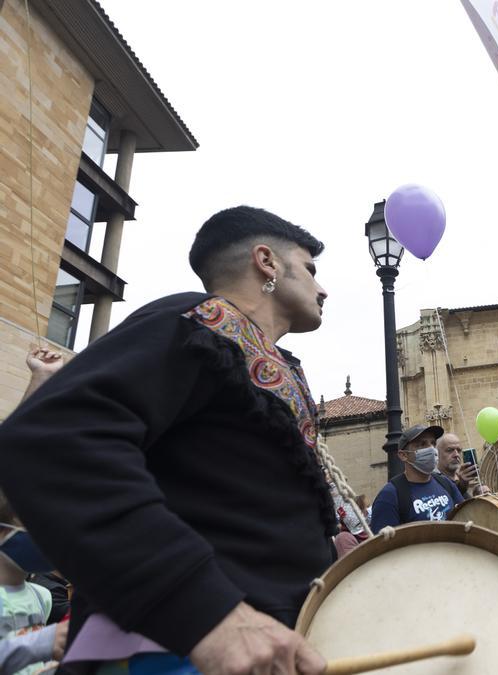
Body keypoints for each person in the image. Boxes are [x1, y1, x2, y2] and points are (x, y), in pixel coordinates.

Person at [0, 206, 334, 673]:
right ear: (267, 261)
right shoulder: (199, 321)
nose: (323, 288)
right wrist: (208, 613)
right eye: (312, 270)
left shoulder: (277, 362)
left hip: (268, 644)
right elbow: (48, 441)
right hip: (173, 650)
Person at [370, 425, 464, 529]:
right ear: (403, 455)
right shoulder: (389, 495)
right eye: (422, 444)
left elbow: (465, 518)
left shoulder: (445, 483)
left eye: (433, 443)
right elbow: (382, 543)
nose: (431, 449)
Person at [435, 432, 488, 497]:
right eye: (450, 450)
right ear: (437, 453)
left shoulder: (462, 477)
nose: (456, 454)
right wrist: (462, 486)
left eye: (459, 450)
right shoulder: (435, 481)